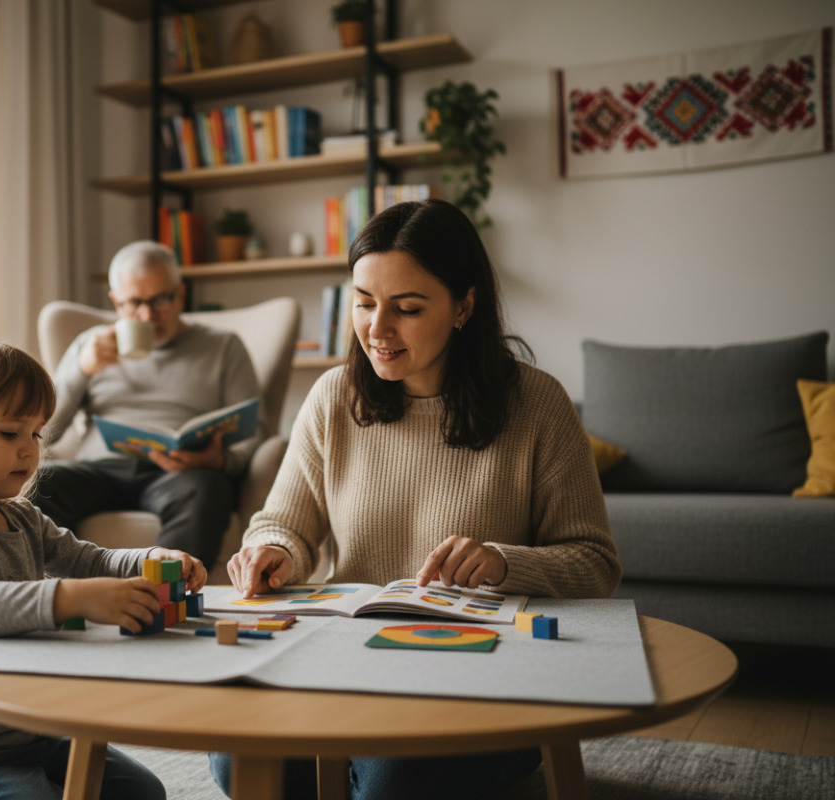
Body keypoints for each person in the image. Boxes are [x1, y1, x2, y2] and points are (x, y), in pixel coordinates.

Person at [213, 199, 622, 800]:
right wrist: (272, 552)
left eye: (406, 308)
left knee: (392, 786)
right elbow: (283, 525)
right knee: (239, 764)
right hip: (348, 665)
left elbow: (595, 561)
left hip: (479, 675)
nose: (377, 329)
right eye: (363, 303)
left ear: (464, 306)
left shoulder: (538, 405)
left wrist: (505, 563)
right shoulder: (334, 396)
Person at [0, 337, 207, 800]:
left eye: (36, 434)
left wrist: (149, 558)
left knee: (143, 792)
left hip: (24, 729)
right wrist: (70, 598)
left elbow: (91, 559)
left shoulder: (21, 517)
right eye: (10, 434)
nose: (30, 451)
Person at [29, 240, 266, 567]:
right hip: (99, 468)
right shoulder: (91, 345)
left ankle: (158, 600)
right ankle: (60, 598)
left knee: (207, 491)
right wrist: (81, 371)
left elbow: (257, 430)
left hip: (180, 475)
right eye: (134, 303)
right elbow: (42, 431)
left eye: (160, 300)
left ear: (180, 293)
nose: (147, 315)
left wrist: (221, 460)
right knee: (37, 484)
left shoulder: (223, 347)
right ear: (115, 301)